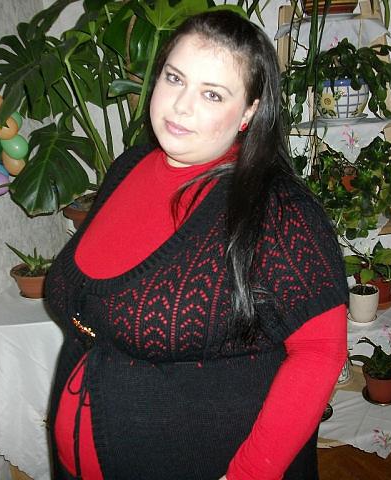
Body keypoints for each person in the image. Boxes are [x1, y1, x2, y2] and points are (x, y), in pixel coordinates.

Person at [45, 9, 348, 480]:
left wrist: (249, 475)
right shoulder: (129, 167)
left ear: (249, 111)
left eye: (212, 94)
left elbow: (319, 351)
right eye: (174, 78)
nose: (181, 107)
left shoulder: (277, 207)